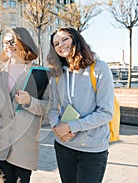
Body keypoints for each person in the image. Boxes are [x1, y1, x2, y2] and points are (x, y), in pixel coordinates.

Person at [46, 27, 114, 183]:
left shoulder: (99, 68)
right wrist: (57, 127)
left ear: (76, 39)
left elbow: (106, 112)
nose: (61, 45)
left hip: (92, 149)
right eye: (56, 43)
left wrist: (71, 127)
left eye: (65, 39)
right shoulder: (57, 74)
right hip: (64, 145)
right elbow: (52, 108)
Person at [0, 27, 50, 183]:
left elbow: (49, 107)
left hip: (25, 143)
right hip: (2, 142)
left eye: (12, 41)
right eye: (5, 42)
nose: (8, 46)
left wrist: (30, 102)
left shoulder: (40, 74)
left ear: (24, 42)